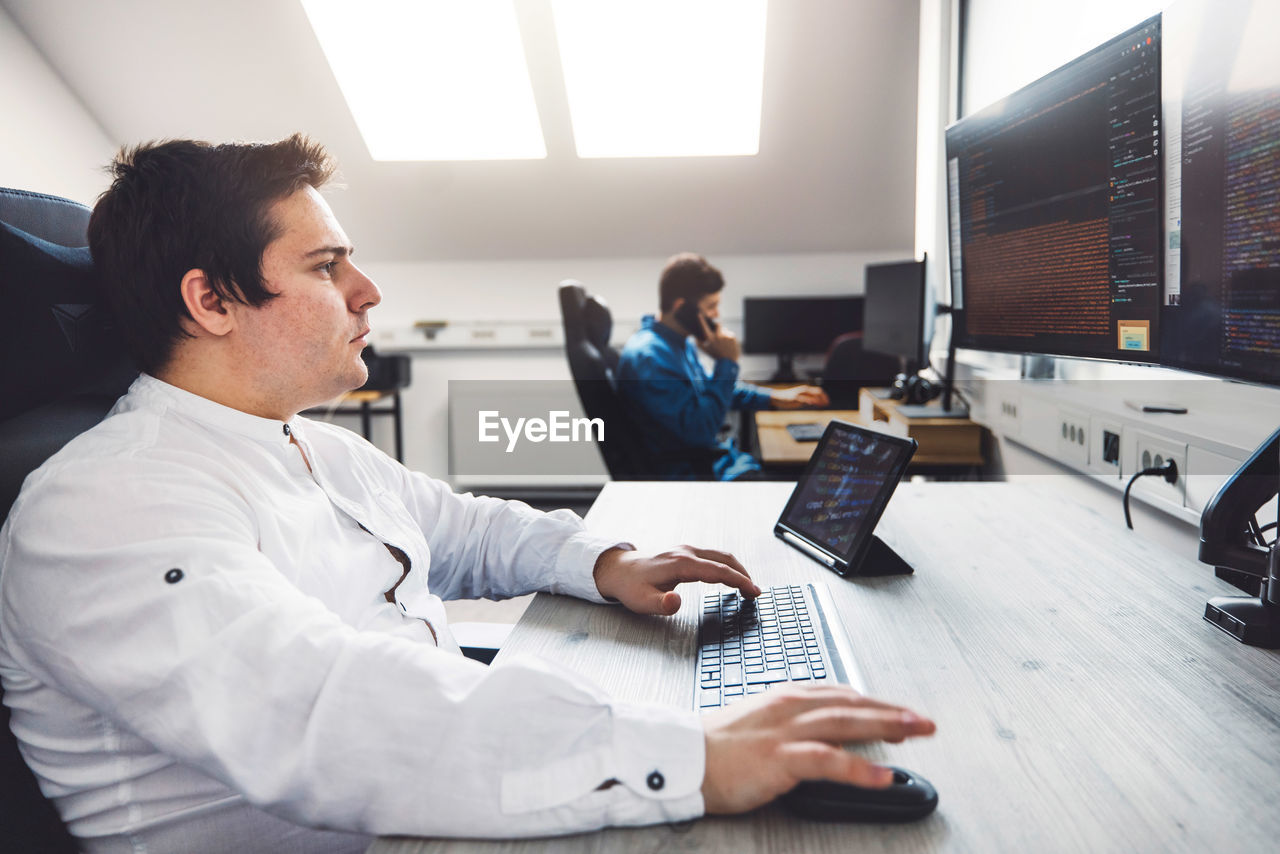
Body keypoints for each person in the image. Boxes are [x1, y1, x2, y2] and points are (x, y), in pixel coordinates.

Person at [0, 136, 934, 852]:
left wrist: (604, 561)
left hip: (425, 806)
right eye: (327, 266)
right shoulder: (104, 504)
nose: (367, 291)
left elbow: (464, 528)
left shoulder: (303, 444)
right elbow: (322, 705)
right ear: (211, 301)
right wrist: (692, 754)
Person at [616, 253, 830, 480]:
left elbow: (710, 392)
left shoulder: (676, 343)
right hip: (694, 475)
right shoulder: (652, 358)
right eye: (711, 306)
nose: (716, 315)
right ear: (681, 307)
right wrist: (726, 363)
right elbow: (700, 432)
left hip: (711, 462)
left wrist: (775, 397)